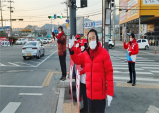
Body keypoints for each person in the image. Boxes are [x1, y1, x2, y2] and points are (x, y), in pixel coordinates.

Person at [69, 29, 114, 113]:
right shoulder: (85, 54)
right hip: (89, 95)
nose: (91, 40)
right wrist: (71, 50)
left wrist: (110, 93)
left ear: (97, 38)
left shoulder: (104, 53)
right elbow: (77, 60)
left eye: (93, 38)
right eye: (89, 39)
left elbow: (109, 73)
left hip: (100, 96)